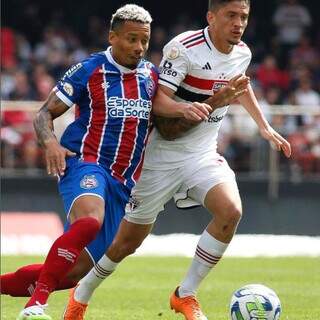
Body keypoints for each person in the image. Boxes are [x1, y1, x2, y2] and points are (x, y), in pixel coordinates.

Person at [0, 4, 249, 320]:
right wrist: (50, 142)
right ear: (112, 37)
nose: (139, 48)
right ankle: (35, 306)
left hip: (123, 182)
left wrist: (199, 106)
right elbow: (44, 113)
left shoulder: (150, 76)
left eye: (144, 41)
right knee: (89, 220)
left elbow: (167, 114)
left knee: (73, 273)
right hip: (85, 163)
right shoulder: (89, 70)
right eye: (131, 39)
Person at [62, 1, 291, 320]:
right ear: (211, 17)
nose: (239, 23)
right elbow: (164, 120)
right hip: (159, 158)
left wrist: (264, 127)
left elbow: (240, 83)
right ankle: (81, 294)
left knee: (230, 212)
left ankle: (185, 294)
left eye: (244, 17)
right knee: (126, 244)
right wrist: (216, 101)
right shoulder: (183, 49)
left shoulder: (242, 52)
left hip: (201, 154)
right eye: (231, 16)